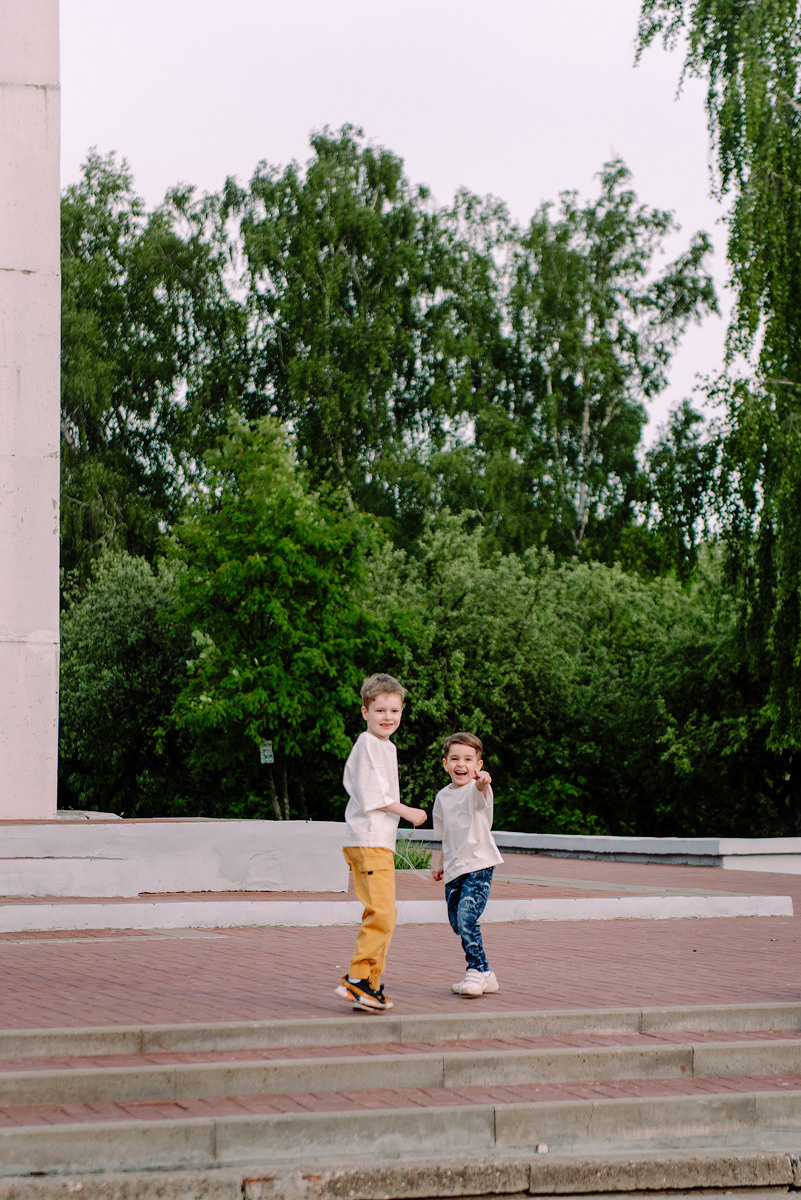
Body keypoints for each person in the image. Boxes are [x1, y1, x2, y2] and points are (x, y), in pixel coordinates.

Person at [335, 673, 426, 1012]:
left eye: (395, 711)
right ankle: (356, 980)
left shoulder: (386, 746)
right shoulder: (368, 744)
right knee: (382, 913)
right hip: (368, 840)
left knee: (387, 913)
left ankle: (370, 985)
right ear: (365, 712)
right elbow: (374, 796)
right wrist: (409, 812)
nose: (388, 717)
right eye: (380, 710)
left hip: (378, 842)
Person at [431, 732, 503, 997]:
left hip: (479, 864)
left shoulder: (477, 789)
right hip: (453, 868)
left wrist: (483, 783)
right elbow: (447, 835)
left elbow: (482, 792)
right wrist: (440, 864)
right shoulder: (442, 798)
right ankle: (486, 974)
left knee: (467, 917)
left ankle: (474, 971)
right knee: (456, 922)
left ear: (478, 765)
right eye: (455, 759)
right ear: (445, 764)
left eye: (468, 759)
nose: (461, 765)